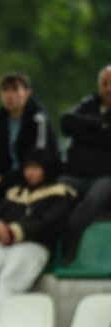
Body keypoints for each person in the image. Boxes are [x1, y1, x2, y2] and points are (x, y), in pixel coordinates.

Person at [0, 151, 74, 327]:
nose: (30, 173)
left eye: (36, 168)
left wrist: (15, 232)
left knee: (9, 280)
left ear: (46, 169)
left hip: (34, 246)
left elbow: (49, 223)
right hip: (4, 245)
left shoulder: (60, 193)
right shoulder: (16, 192)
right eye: (28, 168)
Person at [59, 65, 111, 263]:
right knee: (57, 190)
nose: (108, 88)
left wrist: (83, 133)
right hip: (76, 175)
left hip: (105, 178)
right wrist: (100, 123)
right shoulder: (90, 103)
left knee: (96, 196)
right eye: (104, 84)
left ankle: (69, 243)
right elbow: (66, 123)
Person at [0, 73, 60, 204]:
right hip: (6, 175)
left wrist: (2, 179)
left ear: (27, 93)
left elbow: (37, 159)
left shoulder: (38, 119)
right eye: (5, 90)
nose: (9, 95)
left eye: (15, 90)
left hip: (37, 175)